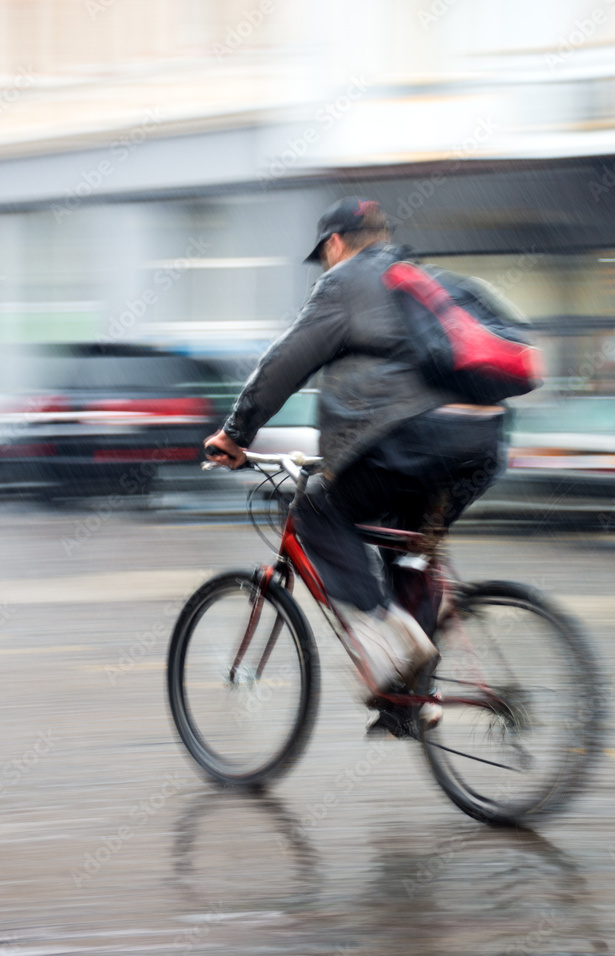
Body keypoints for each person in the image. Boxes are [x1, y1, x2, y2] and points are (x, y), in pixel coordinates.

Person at [203, 196, 509, 716]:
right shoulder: (429, 280)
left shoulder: (346, 283)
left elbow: (287, 361)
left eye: (323, 254)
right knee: (407, 549)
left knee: (318, 514)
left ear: (335, 243)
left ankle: (388, 643)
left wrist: (236, 433)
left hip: (411, 441)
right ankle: (413, 699)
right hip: (480, 444)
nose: (324, 263)